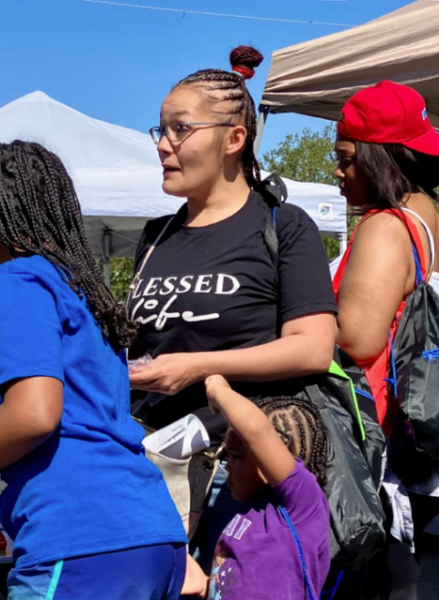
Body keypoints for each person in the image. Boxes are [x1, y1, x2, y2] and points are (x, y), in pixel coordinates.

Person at [0, 141, 187, 599]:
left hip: (80, 541)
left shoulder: (16, 280)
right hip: (149, 532)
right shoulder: (79, 289)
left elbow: (35, 413)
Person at [126, 47, 337, 565]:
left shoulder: (284, 227)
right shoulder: (157, 236)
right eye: (160, 131)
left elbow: (312, 349)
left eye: (180, 129)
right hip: (150, 465)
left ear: (234, 139)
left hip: (237, 476)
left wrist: (198, 367)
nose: (163, 146)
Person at [331, 81, 439, 593]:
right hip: (415, 434)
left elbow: (357, 339)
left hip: (373, 432)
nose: (338, 172)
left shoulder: (385, 226)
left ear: (381, 156)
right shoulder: (428, 217)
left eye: (347, 159)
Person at [181, 376, 331, 598]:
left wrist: (218, 389)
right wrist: (205, 586)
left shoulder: (302, 504)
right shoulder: (250, 512)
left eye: (237, 457)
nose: (227, 466)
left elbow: (255, 429)